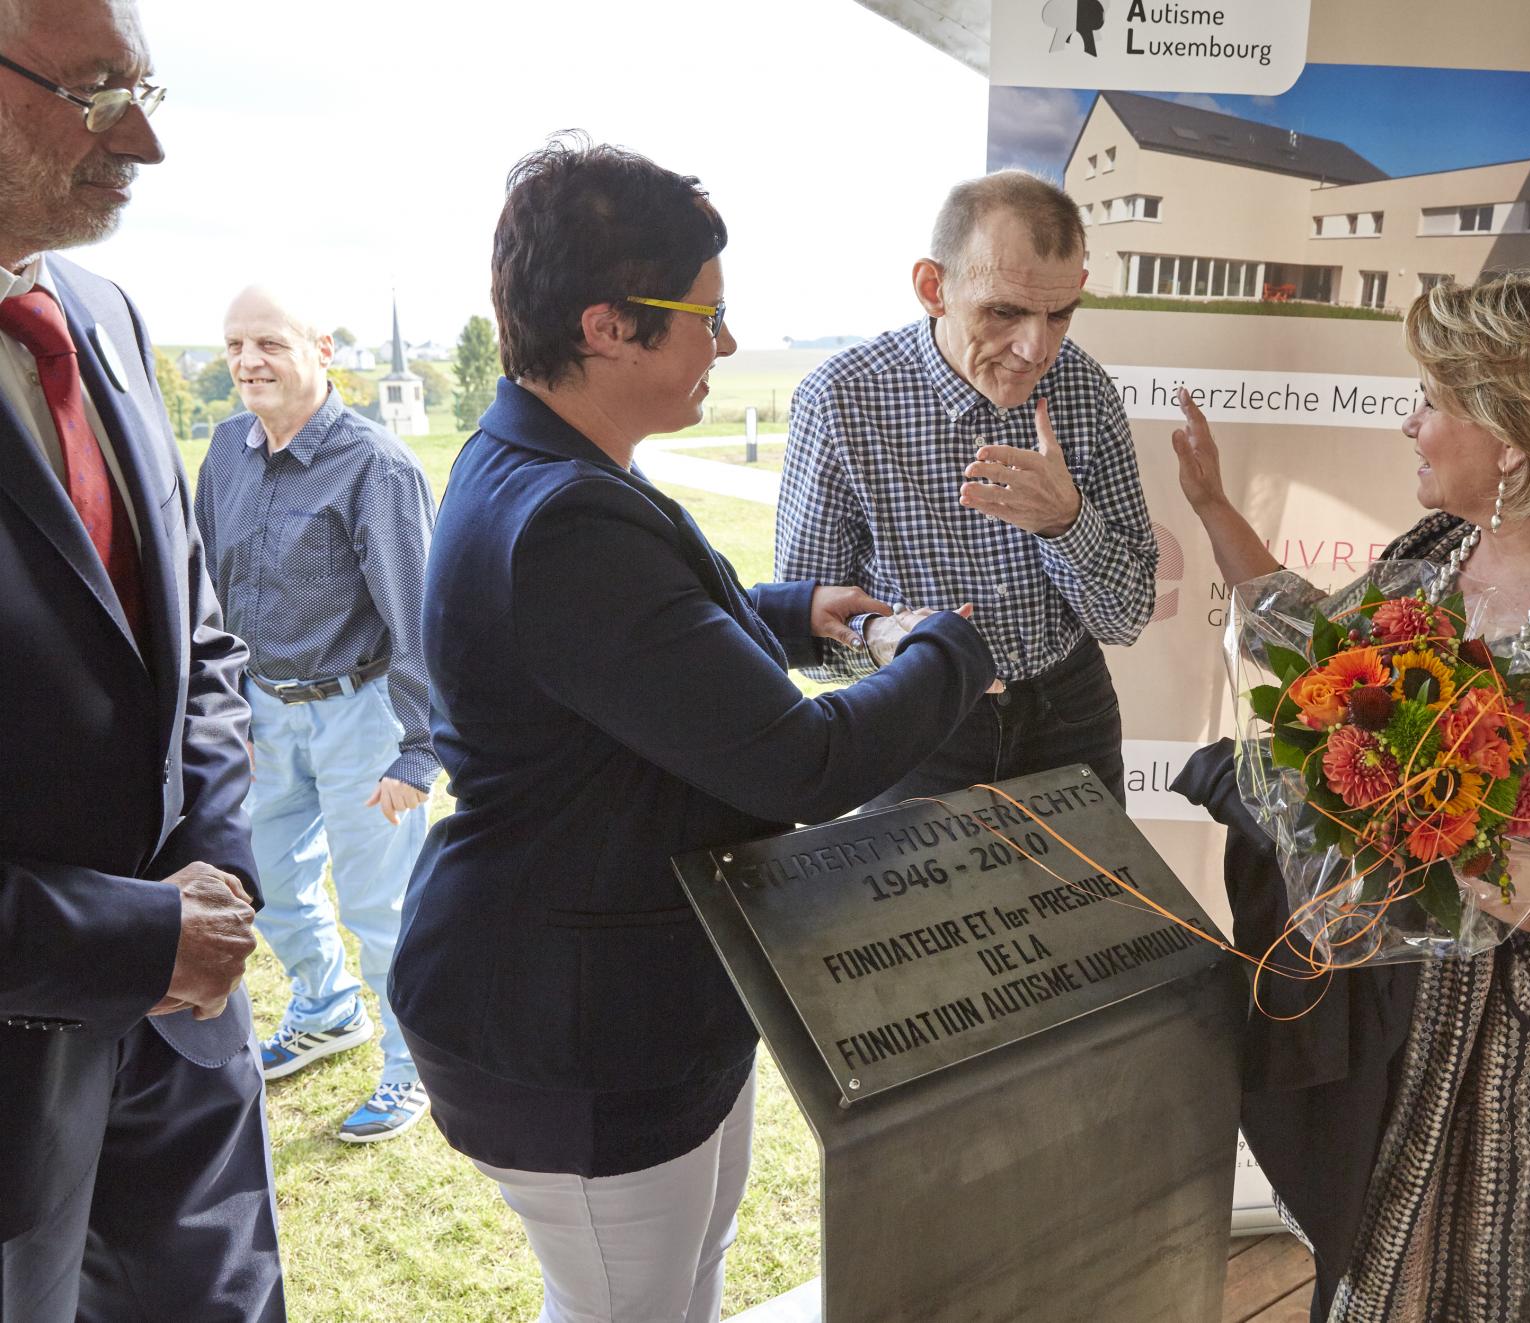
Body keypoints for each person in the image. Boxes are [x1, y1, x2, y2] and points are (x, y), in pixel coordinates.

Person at [390, 137, 997, 1323]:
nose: (724, 346)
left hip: (646, 992)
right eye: (706, 319)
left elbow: (638, 648)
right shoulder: (565, 517)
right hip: (572, 1022)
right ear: (610, 324)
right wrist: (950, 652)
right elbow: (803, 762)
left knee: (680, 1287)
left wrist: (793, 612)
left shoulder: (544, 460)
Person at [1170, 270, 1530, 1322]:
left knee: (1486, 1286)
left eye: (1433, 399)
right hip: (1386, 1005)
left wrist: (1445, 830)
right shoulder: (1434, 554)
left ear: (1513, 435)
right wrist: (1212, 508)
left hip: (1526, 1042)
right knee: (1367, 1263)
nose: (1410, 424)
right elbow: (1319, 656)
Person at [0, 0, 284, 1316]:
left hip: (181, 1041)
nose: (149, 141)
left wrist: (213, 864)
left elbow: (194, 632)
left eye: (148, 85)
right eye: (100, 89)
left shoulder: (102, 312)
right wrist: (124, 935)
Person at [776, 170, 1157, 808]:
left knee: (1094, 909)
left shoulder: (1083, 389)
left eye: (1059, 314)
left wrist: (1067, 524)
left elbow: (1126, 617)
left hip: (1071, 714)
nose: (1036, 348)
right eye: (1005, 311)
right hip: (914, 725)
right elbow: (802, 637)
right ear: (934, 288)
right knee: (914, 912)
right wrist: (895, 643)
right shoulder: (843, 401)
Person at [194, 285, 438, 1143]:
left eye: (268, 341)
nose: (248, 360)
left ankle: (415, 1068)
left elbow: (417, 620)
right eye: (234, 345)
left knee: (382, 904)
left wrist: (417, 753)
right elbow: (204, 598)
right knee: (272, 887)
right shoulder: (225, 449)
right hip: (259, 715)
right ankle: (328, 1009)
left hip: (361, 716)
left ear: (321, 348)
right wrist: (221, 715)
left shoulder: (377, 464)